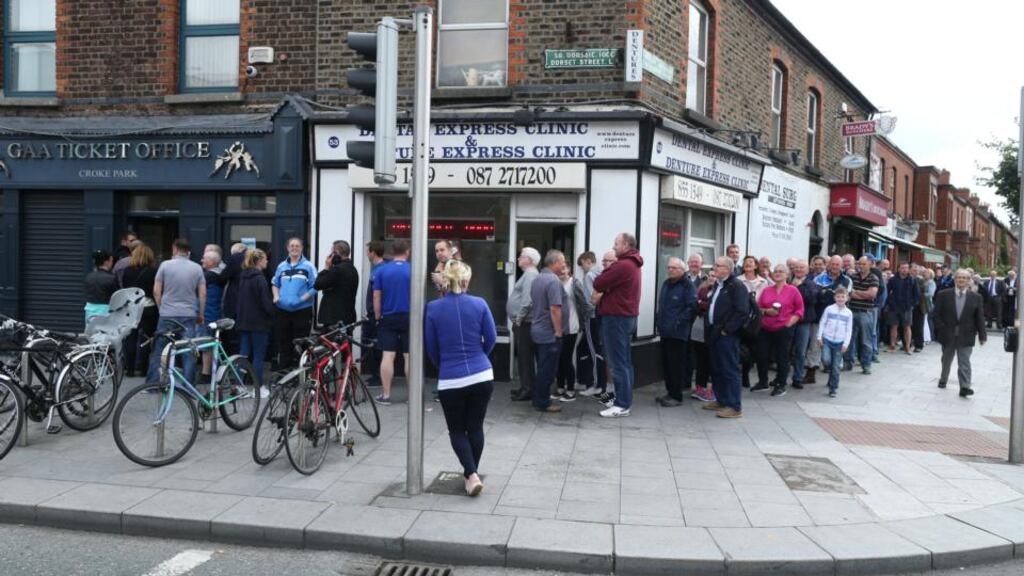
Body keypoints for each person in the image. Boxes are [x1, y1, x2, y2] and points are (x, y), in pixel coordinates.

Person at [425, 260, 497, 496]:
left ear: (445, 280)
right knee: (475, 426)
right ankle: (471, 474)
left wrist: (444, 366)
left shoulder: (433, 308)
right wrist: (480, 358)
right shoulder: (480, 304)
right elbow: (492, 338)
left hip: (451, 378)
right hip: (482, 374)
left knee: (456, 429)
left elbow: (432, 348)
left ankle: (471, 474)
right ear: (466, 280)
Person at [593, 233, 643, 418]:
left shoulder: (623, 265)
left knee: (617, 364)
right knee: (625, 363)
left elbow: (598, 283)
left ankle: (622, 404)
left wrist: (607, 284)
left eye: (616, 244)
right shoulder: (633, 264)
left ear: (626, 245)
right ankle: (624, 400)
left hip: (616, 319)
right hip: (626, 318)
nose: (614, 247)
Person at [147, 238, 206, 384]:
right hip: (188, 314)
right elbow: (203, 294)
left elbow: (156, 291)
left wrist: (161, 308)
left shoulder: (165, 266)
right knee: (189, 351)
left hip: (167, 313)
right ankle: (188, 386)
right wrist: (201, 313)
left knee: (160, 350)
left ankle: (153, 383)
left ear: (174, 248)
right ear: (188, 251)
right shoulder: (197, 268)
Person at [704, 256, 749, 418]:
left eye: (718, 265)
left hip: (727, 335)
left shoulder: (736, 286)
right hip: (714, 333)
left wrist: (727, 330)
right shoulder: (718, 284)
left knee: (730, 369)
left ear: (728, 269)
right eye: (715, 264)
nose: (714, 267)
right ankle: (721, 399)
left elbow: (742, 312)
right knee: (717, 368)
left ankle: (734, 406)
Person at [933, 269, 986, 397]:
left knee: (964, 361)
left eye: (964, 278)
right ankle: (943, 378)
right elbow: (936, 315)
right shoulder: (943, 294)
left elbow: (979, 317)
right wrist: (941, 328)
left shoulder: (976, 298)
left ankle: (965, 387)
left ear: (969, 281)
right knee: (946, 359)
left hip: (966, 334)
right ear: (955, 279)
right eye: (959, 277)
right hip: (948, 334)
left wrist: (982, 335)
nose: (961, 280)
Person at [753, 264, 803, 396]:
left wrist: (790, 322)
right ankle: (763, 382)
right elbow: (758, 308)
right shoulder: (767, 290)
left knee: (782, 357)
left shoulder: (793, 290)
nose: (778, 273)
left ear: (787, 275)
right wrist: (766, 311)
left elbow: (800, 309)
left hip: (783, 328)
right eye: (776, 271)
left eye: (781, 272)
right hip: (765, 327)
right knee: (761, 355)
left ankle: (781, 384)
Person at [374, 240, 412, 405]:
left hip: (388, 317)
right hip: (410, 317)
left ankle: (386, 395)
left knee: (388, 355)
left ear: (393, 251)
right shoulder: (414, 269)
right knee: (410, 357)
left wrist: (377, 316)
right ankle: (412, 397)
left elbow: (377, 296)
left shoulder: (382, 270)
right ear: (407, 252)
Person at [655, 257, 696, 407]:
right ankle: (669, 392)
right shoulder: (667, 283)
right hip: (665, 331)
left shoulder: (687, 285)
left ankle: (676, 396)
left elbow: (691, 307)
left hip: (678, 333)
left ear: (682, 270)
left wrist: (678, 322)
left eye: (674, 268)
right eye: (669, 267)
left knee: (675, 365)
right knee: (666, 364)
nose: (670, 270)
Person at [530, 250, 567, 413]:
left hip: (537, 330)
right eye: (562, 262)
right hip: (548, 333)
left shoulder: (538, 278)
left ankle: (538, 398)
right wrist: (558, 332)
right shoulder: (553, 281)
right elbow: (555, 308)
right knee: (548, 370)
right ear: (554, 263)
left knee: (542, 367)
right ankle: (543, 402)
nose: (564, 265)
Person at [271, 238, 317, 369]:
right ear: (287, 248)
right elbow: (275, 283)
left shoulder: (308, 266)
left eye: (297, 246)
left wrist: (302, 299)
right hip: (282, 311)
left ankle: (300, 375)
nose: (294, 248)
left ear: (302, 248)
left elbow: (316, 286)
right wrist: (276, 296)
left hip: (302, 311)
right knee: (283, 343)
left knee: (300, 344)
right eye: (292, 246)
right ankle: (284, 373)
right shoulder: (281, 266)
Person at [236, 249, 275, 395]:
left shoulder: (243, 277)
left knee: (243, 354)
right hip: (259, 322)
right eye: (265, 259)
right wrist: (273, 310)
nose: (267, 262)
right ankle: (258, 388)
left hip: (244, 321)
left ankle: (239, 387)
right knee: (258, 356)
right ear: (259, 261)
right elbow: (265, 302)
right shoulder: (260, 278)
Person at [507, 247, 541, 402]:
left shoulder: (531, 274)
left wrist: (519, 318)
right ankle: (526, 387)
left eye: (522, 256)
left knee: (525, 357)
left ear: (530, 260)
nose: (519, 258)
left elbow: (528, 300)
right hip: (523, 322)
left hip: (525, 323)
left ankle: (528, 389)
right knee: (522, 357)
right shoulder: (528, 274)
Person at [122, 244, 158, 378]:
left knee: (130, 338)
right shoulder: (153, 271)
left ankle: (130, 369)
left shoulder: (127, 271)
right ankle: (143, 369)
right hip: (148, 307)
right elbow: (155, 291)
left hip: (131, 307)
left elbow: (125, 288)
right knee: (145, 339)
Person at [576, 252, 607, 398]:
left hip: (592, 317)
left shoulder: (590, 275)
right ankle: (590, 381)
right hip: (602, 316)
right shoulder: (603, 272)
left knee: (593, 350)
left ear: (588, 261)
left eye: (582, 265)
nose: (582, 269)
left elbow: (590, 300)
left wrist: (586, 315)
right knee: (591, 349)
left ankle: (595, 385)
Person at [555, 263, 587, 401]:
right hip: (557, 326)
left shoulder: (574, 283)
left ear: (569, 269)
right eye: (559, 269)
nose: (562, 271)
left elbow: (584, 303)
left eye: (564, 268)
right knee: (558, 358)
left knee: (567, 357)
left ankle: (571, 390)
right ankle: (560, 387)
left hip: (571, 325)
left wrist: (585, 321)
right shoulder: (554, 283)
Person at [817, 286, 854, 398]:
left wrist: (846, 344)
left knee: (836, 366)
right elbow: (822, 322)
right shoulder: (829, 309)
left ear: (847, 298)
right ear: (834, 298)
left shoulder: (848, 313)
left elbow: (849, 329)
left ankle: (833, 388)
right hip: (827, 339)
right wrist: (819, 337)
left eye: (843, 297)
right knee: (826, 360)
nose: (840, 299)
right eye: (838, 296)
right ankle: (830, 370)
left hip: (839, 342)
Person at [790, 259, 821, 388]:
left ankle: (797, 377)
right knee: (785, 350)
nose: (799, 270)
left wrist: (797, 288)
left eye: (802, 267)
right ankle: (781, 377)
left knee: (800, 351)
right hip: (788, 321)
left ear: (807, 270)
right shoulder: (787, 282)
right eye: (796, 267)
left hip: (803, 322)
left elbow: (811, 299)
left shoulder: (811, 284)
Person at [315, 240, 359, 328]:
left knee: (331, 342)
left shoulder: (337, 270)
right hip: (348, 317)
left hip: (334, 319)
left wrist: (326, 268)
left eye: (332, 253)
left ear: (336, 253)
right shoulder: (353, 269)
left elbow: (318, 284)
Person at [738, 255, 767, 388]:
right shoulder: (738, 280)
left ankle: (746, 372)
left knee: (753, 350)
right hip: (742, 319)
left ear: (756, 266)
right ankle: (742, 374)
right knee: (741, 347)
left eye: (751, 262)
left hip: (757, 320)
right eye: (745, 262)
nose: (748, 264)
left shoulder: (763, 282)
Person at [362, 241, 388, 387]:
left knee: (375, 346)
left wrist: (376, 315)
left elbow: (379, 294)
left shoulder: (379, 270)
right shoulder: (378, 268)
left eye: (368, 251)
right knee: (373, 345)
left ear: (373, 252)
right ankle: (375, 375)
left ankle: (377, 377)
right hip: (373, 314)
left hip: (376, 315)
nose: (366, 254)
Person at [848, 256, 879, 375]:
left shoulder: (873, 278)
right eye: (859, 263)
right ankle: (848, 362)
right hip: (851, 311)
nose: (860, 266)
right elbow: (848, 293)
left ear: (870, 264)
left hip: (865, 313)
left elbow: (871, 295)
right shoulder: (853, 277)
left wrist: (856, 292)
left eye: (863, 264)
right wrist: (862, 293)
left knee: (866, 340)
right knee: (849, 339)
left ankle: (866, 365)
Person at [689, 274, 716, 402]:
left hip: (712, 331)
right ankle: (700, 387)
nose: (712, 277)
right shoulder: (702, 289)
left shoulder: (719, 291)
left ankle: (713, 390)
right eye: (710, 275)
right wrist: (701, 303)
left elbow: (712, 306)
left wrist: (702, 303)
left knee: (713, 361)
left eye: (715, 275)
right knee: (701, 361)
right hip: (699, 330)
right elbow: (695, 304)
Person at [200, 248, 226, 378]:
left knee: (206, 344)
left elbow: (202, 295)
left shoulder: (208, 276)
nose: (202, 260)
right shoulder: (220, 274)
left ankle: (205, 373)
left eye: (204, 258)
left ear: (211, 262)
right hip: (215, 312)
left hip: (208, 313)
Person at [219, 243, 248, 355]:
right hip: (253, 305)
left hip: (236, 302)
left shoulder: (236, 257)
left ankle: (236, 360)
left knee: (235, 335)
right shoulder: (258, 257)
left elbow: (223, 277)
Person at [885, 262, 919, 355]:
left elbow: (916, 294)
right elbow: (887, 292)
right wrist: (889, 303)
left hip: (907, 307)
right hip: (894, 307)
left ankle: (907, 347)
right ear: (898, 269)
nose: (904, 269)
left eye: (906, 268)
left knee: (907, 327)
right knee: (893, 326)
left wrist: (912, 305)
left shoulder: (912, 280)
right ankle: (892, 346)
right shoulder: (892, 280)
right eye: (902, 268)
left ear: (908, 269)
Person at [84, 250, 117, 322]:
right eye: (111, 260)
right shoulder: (112, 278)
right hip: (105, 312)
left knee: (90, 332)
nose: (112, 263)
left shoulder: (89, 277)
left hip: (89, 311)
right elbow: (117, 297)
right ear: (106, 262)